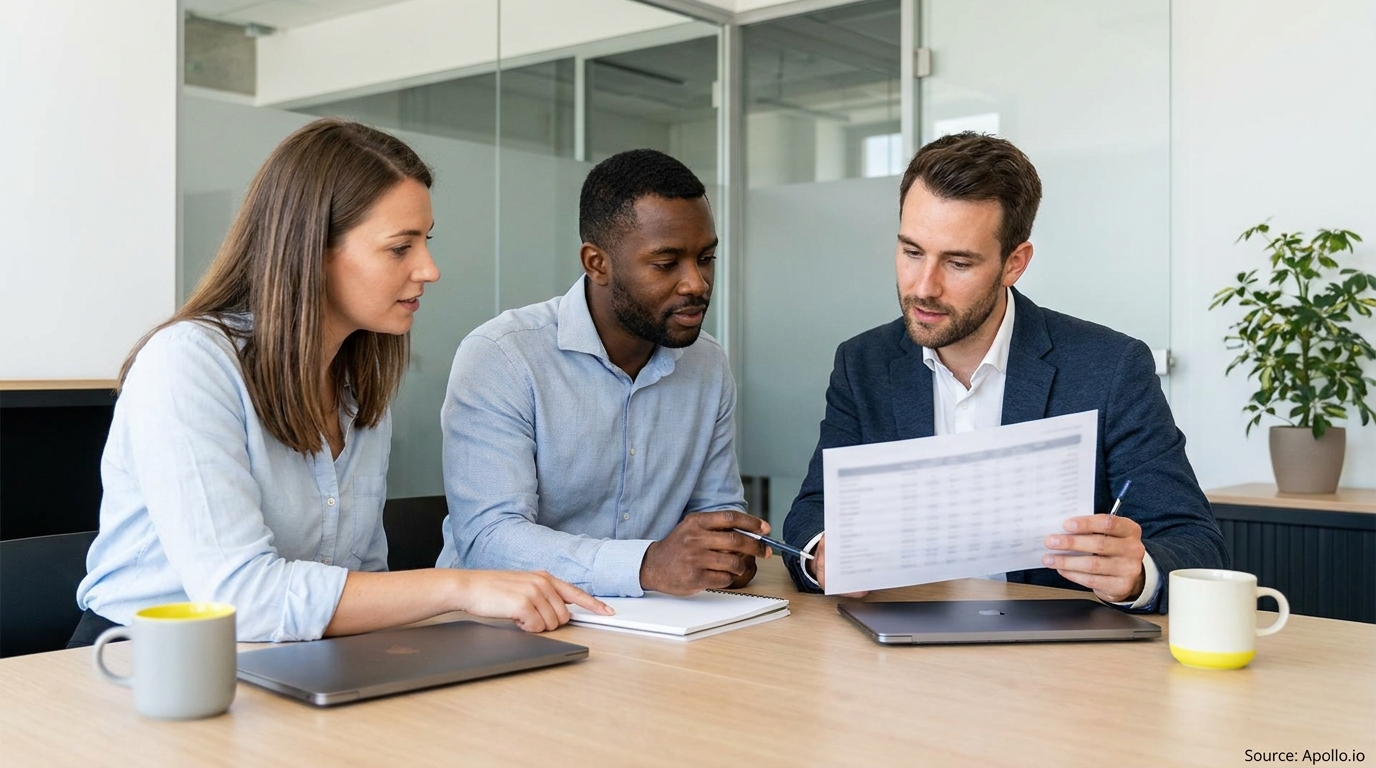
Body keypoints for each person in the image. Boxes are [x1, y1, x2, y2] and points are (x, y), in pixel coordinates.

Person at [72, 119, 610, 646]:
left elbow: (359, 578)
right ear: (312, 250)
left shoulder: (357, 387)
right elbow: (240, 598)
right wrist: (459, 587)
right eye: (401, 247)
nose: (429, 269)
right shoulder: (187, 364)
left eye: (426, 241)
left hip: (289, 659)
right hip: (138, 666)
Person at [780, 132, 1228, 611]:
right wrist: (822, 554)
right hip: (901, 640)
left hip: (1053, 660)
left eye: (957, 262)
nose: (923, 287)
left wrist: (1136, 573)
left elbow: (1194, 542)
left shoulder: (1110, 367)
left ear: (1014, 263)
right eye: (912, 252)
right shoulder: (863, 363)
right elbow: (813, 511)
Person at [437, 149, 768, 598]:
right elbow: (488, 540)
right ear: (597, 264)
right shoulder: (502, 356)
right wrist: (647, 565)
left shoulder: (707, 363)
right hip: (502, 623)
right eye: (667, 263)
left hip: (653, 623)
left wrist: (728, 552)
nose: (696, 283)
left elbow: (716, 509)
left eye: (705, 258)